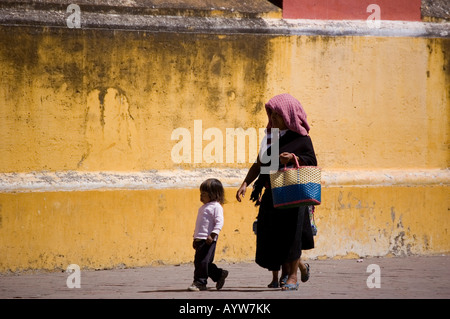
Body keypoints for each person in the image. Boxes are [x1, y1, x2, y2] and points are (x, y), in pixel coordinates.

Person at [236, 93, 316, 291]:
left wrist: (294, 157)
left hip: (295, 195)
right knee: (273, 235)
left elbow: (311, 162)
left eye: (277, 116)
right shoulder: (271, 139)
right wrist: (245, 183)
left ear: (288, 115)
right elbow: (260, 163)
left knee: (293, 235)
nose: (272, 119)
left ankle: (292, 276)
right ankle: (300, 267)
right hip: (273, 194)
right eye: (271, 115)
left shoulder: (302, 139)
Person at [188, 178, 229, 291]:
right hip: (199, 239)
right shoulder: (203, 207)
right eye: (200, 194)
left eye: (204, 194)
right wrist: (195, 238)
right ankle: (219, 274)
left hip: (208, 239)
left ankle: (200, 282)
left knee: (202, 262)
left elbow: (219, 222)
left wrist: (213, 234)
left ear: (214, 194)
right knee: (203, 262)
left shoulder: (216, 207)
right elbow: (200, 225)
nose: (201, 196)